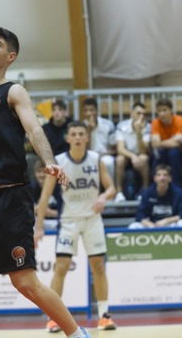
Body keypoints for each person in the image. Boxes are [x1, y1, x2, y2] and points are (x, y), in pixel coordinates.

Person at [0, 27, 87, 338]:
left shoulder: (14, 92)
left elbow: (34, 129)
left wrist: (48, 160)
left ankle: (77, 334)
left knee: (24, 282)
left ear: (10, 56)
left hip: (7, 199)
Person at [35, 120, 117, 333]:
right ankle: (53, 318)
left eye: (82, 134)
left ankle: (104, 316)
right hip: (69, 220)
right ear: (68, 138)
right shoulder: (59, 162)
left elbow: (111, 188)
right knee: (61, 267)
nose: (78, 137)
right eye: (74, 134)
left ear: (87, 137)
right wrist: (39, 227)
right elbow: (44, 197)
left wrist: (103, 197)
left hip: (92, 220)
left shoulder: (96, 159)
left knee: (98, 266)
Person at [129, 164, 182, 229]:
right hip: (152, 225)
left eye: (165, 175)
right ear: (155, 178)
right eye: (159, 175)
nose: (162, 178)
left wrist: (166, 221)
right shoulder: (147, 193)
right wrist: (149, 224)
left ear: (170, 178)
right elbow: (140, 214)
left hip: (171, 224)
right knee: (133, 226)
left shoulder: (179, 193)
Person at [114, 102, 151, 201]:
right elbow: (120, 149)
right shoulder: (122, 126)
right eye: (139, 113)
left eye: (144, 114)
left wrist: (139, 133)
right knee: (120, 159)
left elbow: (144, 151)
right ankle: (119, 192)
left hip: (141, 154)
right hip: (127, 154)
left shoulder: (148, 127)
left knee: (143, 158)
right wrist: (133, 156)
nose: (141, 116)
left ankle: (145, 191)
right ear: (132, 113)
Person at [151, 99, 182, 189]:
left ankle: (177, 186)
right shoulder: (155, 122)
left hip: (179, 153)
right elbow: (155, 144)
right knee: (157, 155)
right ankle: (156, 186)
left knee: (173, 153)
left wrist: (160, 143)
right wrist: (173, 140)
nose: (161, 114)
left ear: (171, 110)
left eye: (164, 110)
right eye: (159, 111)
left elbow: (178, 143)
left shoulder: (179, 120)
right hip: (163, 151)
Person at [82, 97, 116, 186]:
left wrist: (104, 154)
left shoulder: (108, 124)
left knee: (108, 162)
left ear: (97, 111)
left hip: (105, 155)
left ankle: (110, 187)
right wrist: (89, 131)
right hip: (87, 156)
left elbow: (114, 149)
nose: (89, 113)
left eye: (91, 110)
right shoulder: (81, 126)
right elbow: (83, 149)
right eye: (86, 110)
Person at [29, 158, 59, 232]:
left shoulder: (58, 188)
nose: (41, 175)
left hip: (56, 221)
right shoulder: (32, 187)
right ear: (35, 173)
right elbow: (26, 209)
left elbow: (67, 212)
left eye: (44, 172)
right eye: (39, 172)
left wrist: (51, 213)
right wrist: (37, 210)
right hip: (37, 222)